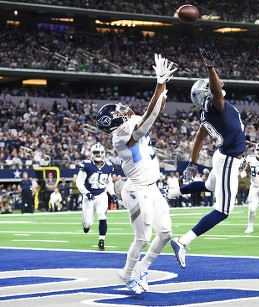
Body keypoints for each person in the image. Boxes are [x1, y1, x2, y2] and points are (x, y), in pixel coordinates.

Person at [96, 53, 175, 294]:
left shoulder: (128, 125)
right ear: (115, 121)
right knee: (142, 238)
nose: (124, 110)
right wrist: (159, 85)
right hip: (137, 190)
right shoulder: (120, 137)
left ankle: (143, 267)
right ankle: (127, 273)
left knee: (166, 234)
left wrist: (163, 88)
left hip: (152, 187)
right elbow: (150, 118)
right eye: (119, 111)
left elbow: (155, 111)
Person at [167, 48, 246, 269]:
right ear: (207, 94)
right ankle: (183, 241)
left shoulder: (205, 113)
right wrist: (210, 67)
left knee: (210, 186)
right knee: (223, 210)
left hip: (222, 156)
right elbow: (217, 91)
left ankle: (172, 193)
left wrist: (193, 162)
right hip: (229, 158)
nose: (219, 88)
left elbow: (199, 138)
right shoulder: (214, 106)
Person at [76, 143, 116, 251]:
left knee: (102, 215)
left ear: (103, 153)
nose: (97, 154)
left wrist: (112, 193)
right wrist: (86, 193)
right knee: (88, 222)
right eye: (95, 152)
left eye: (99, 152)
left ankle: (101, 241)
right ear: (92, 154)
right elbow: (79, 182)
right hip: (88, 196)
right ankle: (85, 226)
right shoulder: (87, 165)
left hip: (101, 195)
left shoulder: (108, 166)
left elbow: (109, 183)